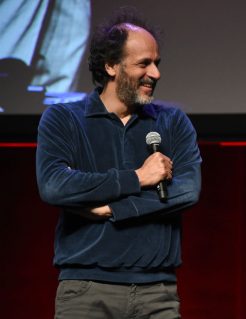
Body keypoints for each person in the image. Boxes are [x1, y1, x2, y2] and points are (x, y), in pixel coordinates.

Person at [36, 8, 201, 319]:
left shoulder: (173, 122)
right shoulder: (64, 119)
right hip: (85, 291)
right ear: (110, 65)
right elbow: (55, 185)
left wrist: (111, 208)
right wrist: (138, 177)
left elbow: (187, 190)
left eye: (157, 63)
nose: (156, 73)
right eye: (144, 64)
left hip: (158, 293)